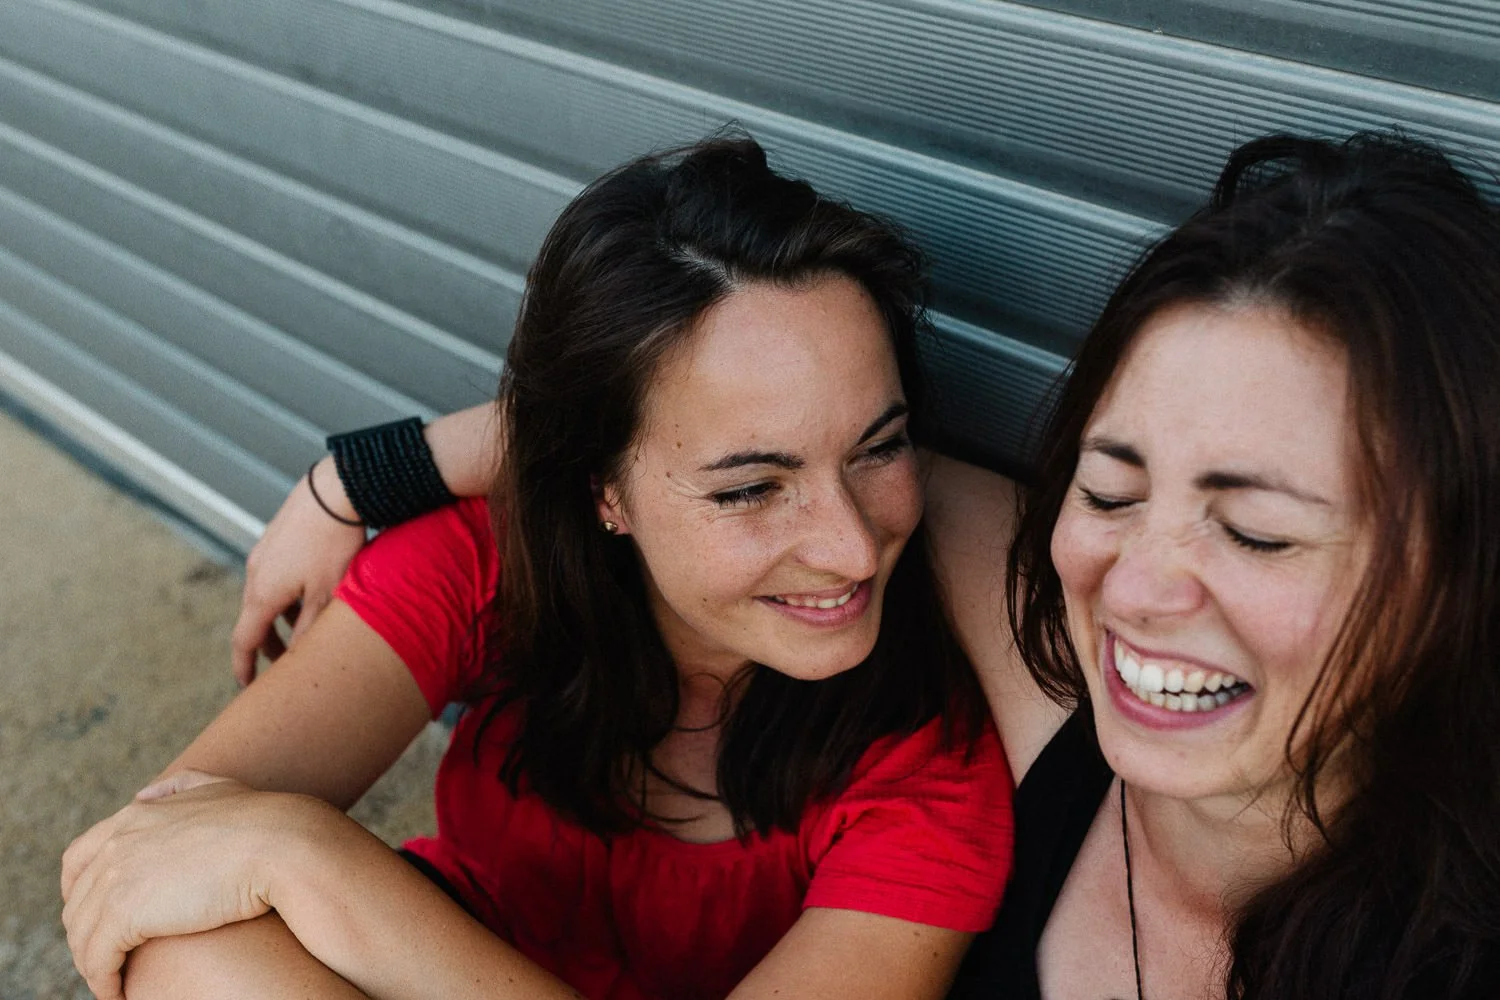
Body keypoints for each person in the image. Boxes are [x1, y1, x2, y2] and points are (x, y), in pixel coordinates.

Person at [196, 129, 1500, 999]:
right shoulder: (1042, 616)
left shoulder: (1438, 938)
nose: (1141, 587)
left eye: (1258, 531)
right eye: (1106, 486)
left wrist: (313, 871)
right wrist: (360, 477)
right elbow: (654, 431)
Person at [60, 135, 1014, 1000]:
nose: (851, 548)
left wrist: (308, 859)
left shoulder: (931, 770)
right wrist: (355, 479)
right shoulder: (488, 564)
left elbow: (230, 846)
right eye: (750, 488)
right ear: (603, 490)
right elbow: (140, 871)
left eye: (878, 450)